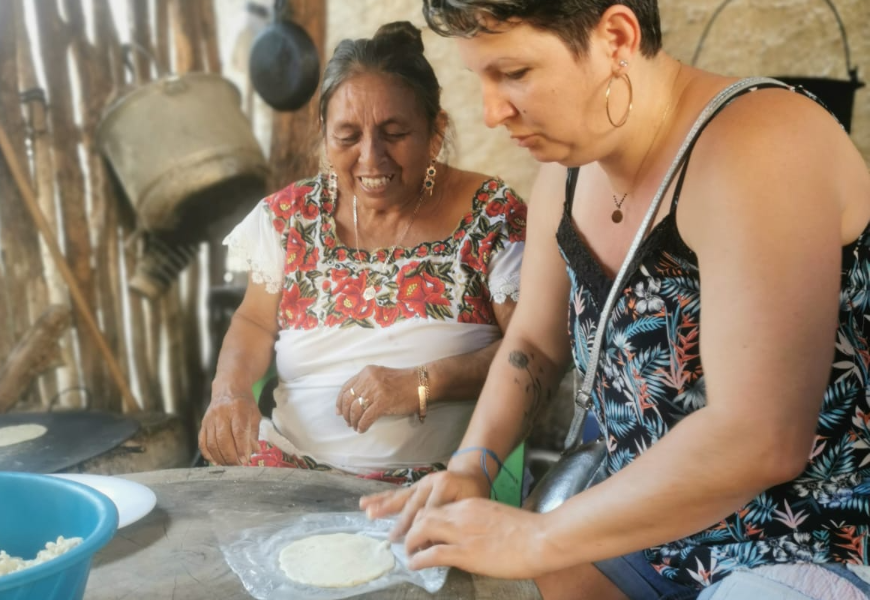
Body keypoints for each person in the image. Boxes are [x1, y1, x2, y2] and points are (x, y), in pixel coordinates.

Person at [360, 2, 870, 599]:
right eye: (480, 77)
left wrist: (535, 537)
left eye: (515, 73)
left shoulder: (762, 144)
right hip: (647, 527)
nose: (492, 111)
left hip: (809, 539)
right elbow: (534, 343)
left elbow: (761, 437)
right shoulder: (567, 174)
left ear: (616, 37)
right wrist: (474, 466)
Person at [198, 21, 527, 486]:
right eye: (348, 137)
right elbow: (253, 323)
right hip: (288, 477)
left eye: (394, 133)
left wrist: (421, 382)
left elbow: (532, 352)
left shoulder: (490, 215)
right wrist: (229, 392)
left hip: (434, 488)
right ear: (324, 135)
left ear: (436, 131)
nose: (371, 158)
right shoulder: (291, 217)